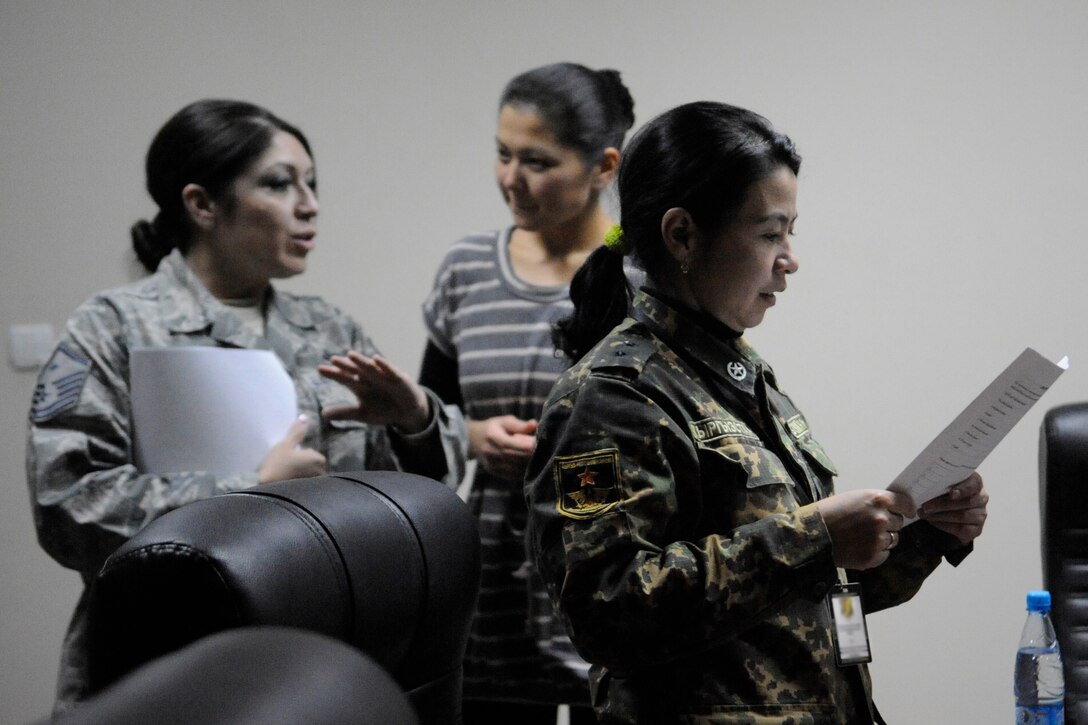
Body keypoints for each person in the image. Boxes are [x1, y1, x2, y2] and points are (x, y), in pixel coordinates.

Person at [524, 101, 989, 724]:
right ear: (682, 234)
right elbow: (607, 611)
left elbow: (804, 596)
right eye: (770, 233)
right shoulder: (611, 397)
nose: (790, 258)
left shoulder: (739, 374)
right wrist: (816, 537)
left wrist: (926, 532)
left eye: (791, 231)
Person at [26, 99, 466, 709]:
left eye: (312, 184)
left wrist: (416, 420)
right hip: (165, 661)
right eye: (280, 184)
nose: (310, 205)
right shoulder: (114, 328)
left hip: (323, 655)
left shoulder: (329, 329)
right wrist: (250, 495)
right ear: (202, 205)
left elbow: (406, 504)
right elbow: (65, 505)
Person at [420, 62, 634, 723]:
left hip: (613, 590)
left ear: (603, 166)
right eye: (503, 153)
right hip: (494, 606)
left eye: (537, 161)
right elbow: (431, 419)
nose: (512, 178)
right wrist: (474, 436)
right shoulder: (466, 270)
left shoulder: (642, 274)